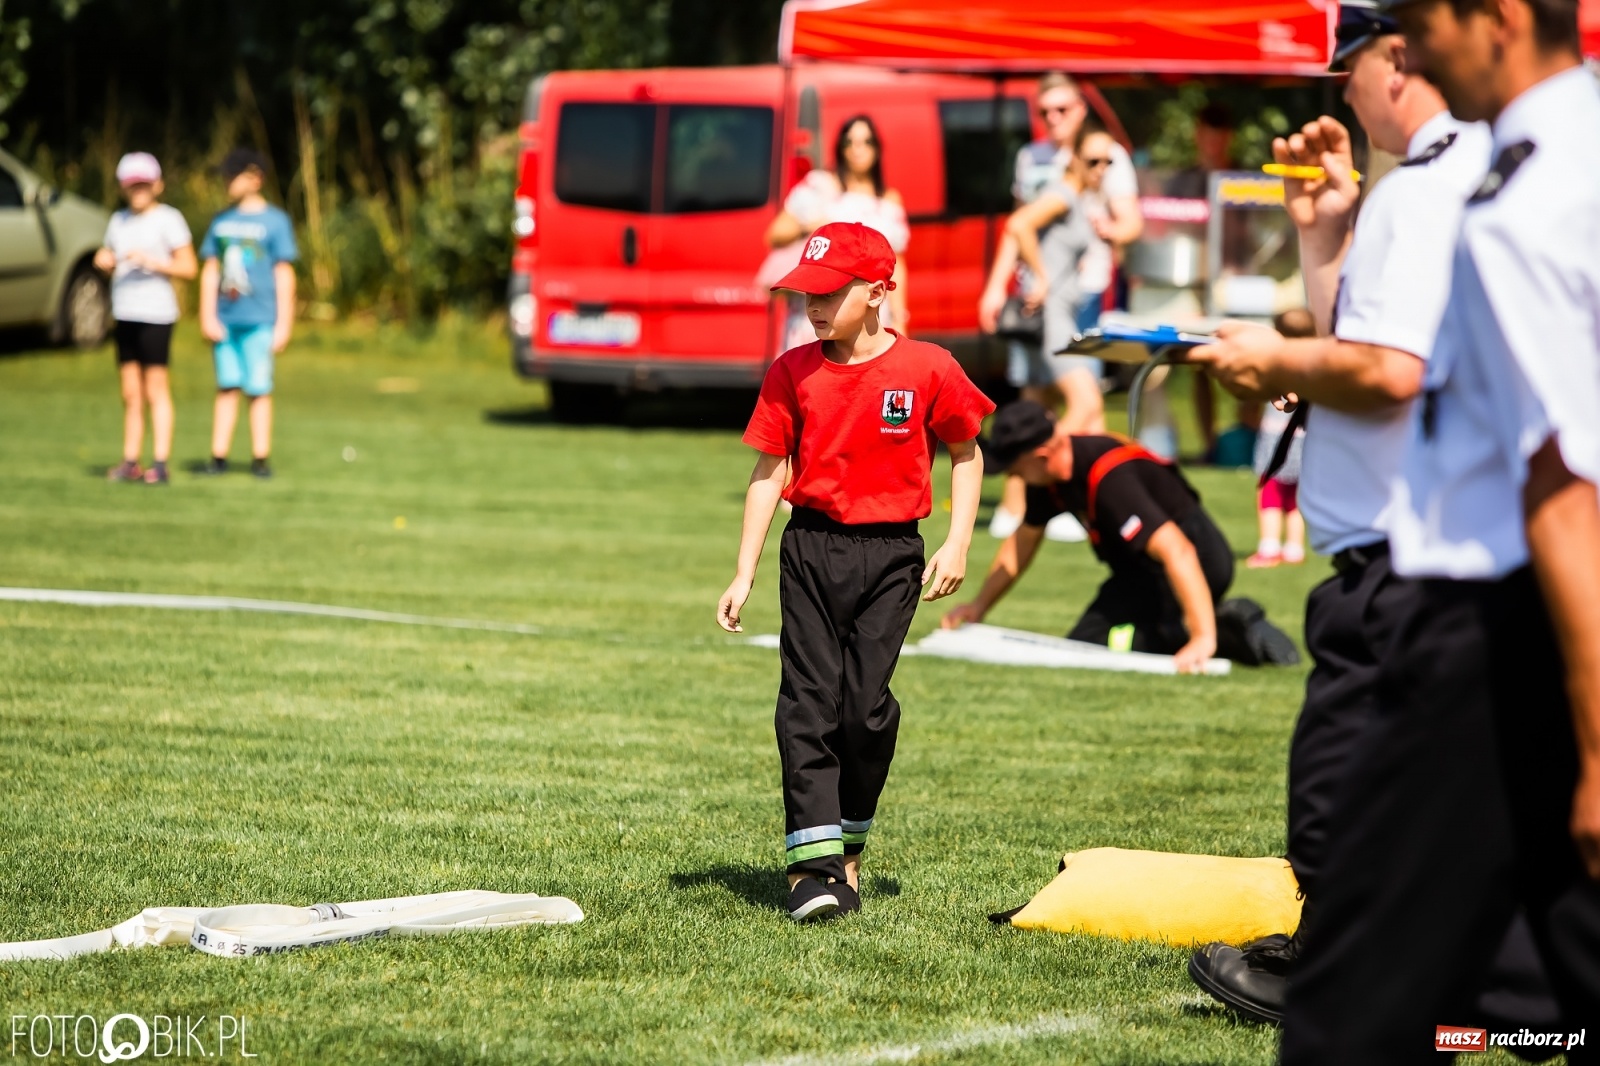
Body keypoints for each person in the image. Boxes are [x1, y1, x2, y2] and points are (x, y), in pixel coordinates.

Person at [1275, 0, 1600, 1050]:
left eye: (1421, 25)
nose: (1410, 51)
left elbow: (1558, 478)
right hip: (1501, 611)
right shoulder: (1559, 155)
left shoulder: (1518, 194)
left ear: (1499, 19)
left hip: (1484, 624)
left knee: (1349, 997)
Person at [1182, 0, 1499, 1029]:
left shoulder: (1430, 188)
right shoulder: (1451, 177)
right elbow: (1361, 336)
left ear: (1396, 56)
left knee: (1338, 788)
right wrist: (1324, 235)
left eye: (1347, 67)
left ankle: (1342, 972)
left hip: (1402, 553)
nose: (1342, 89)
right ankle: (1510, 1002)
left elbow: (1384, 370)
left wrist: (1264, 358)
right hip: (1425, 543)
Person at [716, 222, 992, 923]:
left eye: (827, 293)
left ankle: (848, 849)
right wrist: (744, 571)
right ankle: (811, 873)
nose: (811, 307)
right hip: (810, 550)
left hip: (891, 557)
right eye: (804, 293)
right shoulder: (791, 372)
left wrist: (957, 543)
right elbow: (767, 472)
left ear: (876, 293)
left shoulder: (928, 368)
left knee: (864, 713)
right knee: (807, 707)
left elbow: (966, 452)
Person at [942, 401, 1235, 675]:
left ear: (1042, 456)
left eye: (1015, 470)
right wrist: (979, 605)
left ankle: (1227, 628)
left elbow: (1178, 550)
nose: (1014, 479)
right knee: (1083, 647)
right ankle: (1184, 626)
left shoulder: (1110, 477)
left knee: (1144, 647)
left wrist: (1202, 638)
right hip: (1140, 572)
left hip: (1200, 563)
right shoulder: (1048, 479)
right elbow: (1022, 543)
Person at [981, 72, 1144, 540]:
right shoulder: (1053, 177)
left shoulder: (1090, 171)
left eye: (1063, 109)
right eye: (1045, 110)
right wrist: (1021, 280)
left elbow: (1128, 221)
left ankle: (1055, 500)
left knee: (1074, 406)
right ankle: (1025, 486)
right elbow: (1018, 226)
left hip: (1075, 303)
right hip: (1049, 309)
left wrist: (1113, 231)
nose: (1054, 119)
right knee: (1075, 404)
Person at [764, 116, 908, 350]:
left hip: (869, 309)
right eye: (850, 142)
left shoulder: (889, 200)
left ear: (877, 148)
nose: (857, 149)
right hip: (816, 309)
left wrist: (901, 318)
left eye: (866, 142)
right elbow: (775, 233)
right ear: (841, 148)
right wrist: (812, 225)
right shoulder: (821, 186)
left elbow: (898, 265)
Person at [95, 152, 196, 485]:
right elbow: (109, 255)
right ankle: (130, 460)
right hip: (125, 312)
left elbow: (189, 267)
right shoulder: (118, 221)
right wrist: (104, 260)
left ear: (157, 185)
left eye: (143, 183)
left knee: (155, 389)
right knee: (130, 392)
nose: (138, 190)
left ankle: (161, 462)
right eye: (132, 184)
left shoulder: (169, 219)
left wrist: (153, 262)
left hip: (156, 314)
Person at [198, 148, 298, 479]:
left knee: (258, 389)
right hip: (226, 320)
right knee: (227, 386)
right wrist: (206, 314)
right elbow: (211, 269)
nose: (226, 181)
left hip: (260, 320)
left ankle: (260, 458)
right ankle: (219, 457)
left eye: (233, 174)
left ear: (256, 178)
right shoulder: (220, 221)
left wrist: (284, 323)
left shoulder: (275, 221)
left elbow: (284, 274)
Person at [1247, 309, 1315, 569]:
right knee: (1296, 496)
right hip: (1305, 440)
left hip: (1277, 440)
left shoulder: (1278, 363)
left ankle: (1269, 546)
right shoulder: (1314, 364)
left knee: (1269, 491)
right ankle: (1294, 548)